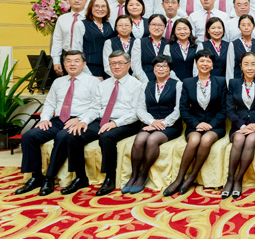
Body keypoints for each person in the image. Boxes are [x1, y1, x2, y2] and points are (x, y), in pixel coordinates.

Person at [15, 51, 99, 196]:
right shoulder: (58, 82)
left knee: (63, 136)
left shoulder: (93, 82)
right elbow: (50, 104)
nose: (72, 64)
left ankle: (49, 178)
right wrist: (44, 119)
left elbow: (96, 106)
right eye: (69, 61)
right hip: (59, 119)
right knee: (29, 136)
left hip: (79, 119)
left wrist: (80, 119)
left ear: (84, 64)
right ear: (64, 64)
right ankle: (36, 177)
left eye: (76, 61)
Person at [72, 50, 144, 196]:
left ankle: (109, 178)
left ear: (128, 64)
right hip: (102, 120)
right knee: (74, 135)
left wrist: (115, 123)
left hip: (126, 122)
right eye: (113, 63)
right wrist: (84, 121)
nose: (116, 66)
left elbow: (136, 113)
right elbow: (95, 108)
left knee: (106, 137)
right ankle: (80, 177)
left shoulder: (137, 85)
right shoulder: (103, 85)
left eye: (120, 63)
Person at [164, 50, 227, 196]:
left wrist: (211, 124)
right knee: (193, 140)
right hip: (195, 124)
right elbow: (184, 109)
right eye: (201, 61)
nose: (205, 64)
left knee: (206, 140)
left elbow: (224, 109)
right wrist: (197, 124)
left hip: (215, 125)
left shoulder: (221, 81)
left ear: (212, 65)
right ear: (196, 63)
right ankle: (179, 179)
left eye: (208, 61)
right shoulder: (188, 82)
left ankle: (192, 176)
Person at [123, 55, 182, 194]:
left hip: (171, 125)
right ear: (153, 69)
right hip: (151, 123)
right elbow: (140, 109)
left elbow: (178, 109)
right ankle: (134, 175)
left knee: (152, 139)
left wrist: (164, 123)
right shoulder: (146, 85)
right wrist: (152, 122)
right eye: (158, 66)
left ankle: (143, 174)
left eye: (164, 66)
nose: (161, 69)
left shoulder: (178, 84)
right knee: (139, 140)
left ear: (169, 69)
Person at [223, 52, 255, 199]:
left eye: (253, 64)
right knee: (238, 139)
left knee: (250, 139)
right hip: (239, 125)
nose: (250, 68)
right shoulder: (233, 83)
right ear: (241, 66)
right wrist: (242, 126)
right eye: (246, 64)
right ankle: (230, 179)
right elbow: (229, 109)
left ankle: (239, 179)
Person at [72, 0, 114, 79]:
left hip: (109, 68)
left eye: (103, 6)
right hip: (89, 68)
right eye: (96, 6)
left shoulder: (110, 25)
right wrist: (89, 74)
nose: (100, 9)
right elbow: (76, 50)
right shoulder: (80, 24)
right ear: (91, 7)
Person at [51, 0, 87, 76]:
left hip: (85, 56)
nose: (76, 0)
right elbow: (57, 40)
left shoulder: (90, 18)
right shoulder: (62, 19)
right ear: (68, 0)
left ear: (85, 1)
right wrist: (56, 61)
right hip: (66, 56)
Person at [131, 14, 168, 83]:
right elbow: (136, 66)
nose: (156, 27)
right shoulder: (139, 42)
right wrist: (147, 83)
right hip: (142, 81)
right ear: (148, 26)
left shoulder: (169, 43)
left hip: (164, 82)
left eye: (160, 25)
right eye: (153, 24)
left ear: (165, 27)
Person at [228, 14, 255, 80]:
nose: (246, 28)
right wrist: (230, 82)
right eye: (243, 25)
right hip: (238, 79)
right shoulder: (233, 44)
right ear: (239, 27)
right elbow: (230, 67)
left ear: (253, 26)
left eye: (249, 25)